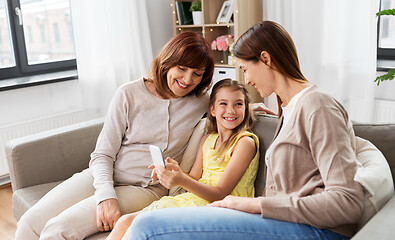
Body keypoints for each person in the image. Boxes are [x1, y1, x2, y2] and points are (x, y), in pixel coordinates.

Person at [126, 21, 365, 240]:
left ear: (265, 59)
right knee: (139, 222)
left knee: (144, 227)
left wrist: (257, 205)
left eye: (245, 69)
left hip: (313, 230)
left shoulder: (318, 106)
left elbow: (348, 202)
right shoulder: (288, 109)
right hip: (285, 222)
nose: (247, 80)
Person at [14, 31, 215, 240]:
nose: (187, 79)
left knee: (58, 229)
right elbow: (102, 154)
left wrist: (248, 106)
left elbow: (230, 103)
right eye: (181, 69)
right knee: (30, 222)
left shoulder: (199, 102)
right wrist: (106, 196)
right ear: (167, 62)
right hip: (101, 175)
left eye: (197, 74)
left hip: (144, 188)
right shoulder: (128, 94)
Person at [107, 79, 260, 240]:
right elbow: (194, 178)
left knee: (138, 228)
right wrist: (175, 172)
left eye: (238, 104)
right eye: (223, 104)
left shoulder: (245, 143)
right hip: (196, 201)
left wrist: (181, 179)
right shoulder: (207, 139)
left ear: (246, 108)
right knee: (125, 221)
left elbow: (221, 194)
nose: (231, 110)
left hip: (223, 208)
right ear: (212, 110)